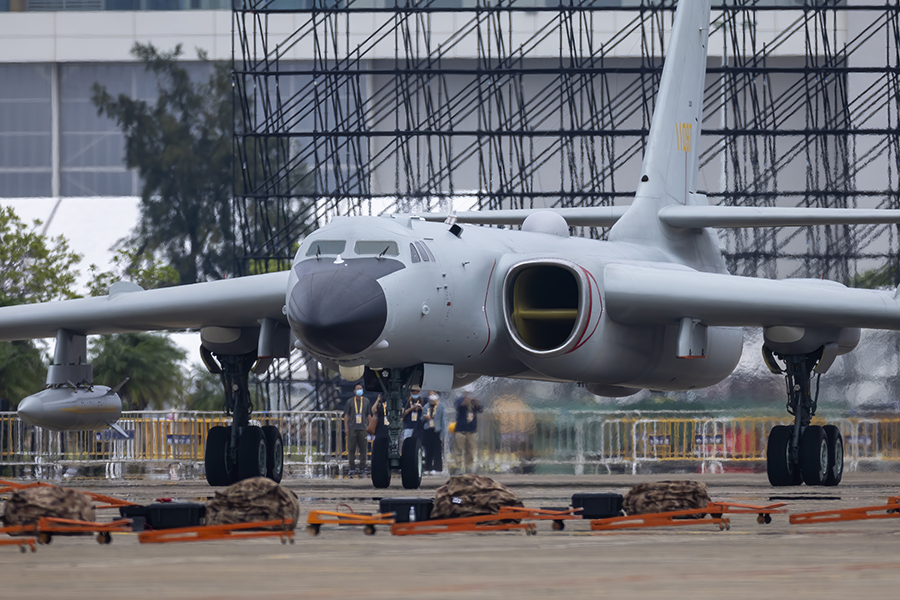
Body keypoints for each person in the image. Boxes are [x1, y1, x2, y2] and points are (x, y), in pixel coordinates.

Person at [343, 383, 371, 476]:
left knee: (363, 449)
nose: (360, 390)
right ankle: (351, 466)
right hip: (353, 428)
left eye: (361, 389)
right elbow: (346, 416)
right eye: (358, 389)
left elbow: (368, 415)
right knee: (351, 449)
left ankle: (363, 466)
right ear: (354, 391)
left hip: (363, 428)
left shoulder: (366, 401)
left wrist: (370, 427)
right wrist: (346, 428)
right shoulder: (350, 402)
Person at [454, 390, 482, 474]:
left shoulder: (474, 403)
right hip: (460, 431)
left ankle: (469, 468)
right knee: (458, 450)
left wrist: (475, 402)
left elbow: (480, 409)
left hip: (471, 431)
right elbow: (459, 407)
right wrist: (466, 400)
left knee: (470, 451)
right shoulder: (459, 400)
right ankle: (458, 467)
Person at [422, 391, 445, 474]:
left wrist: (443, 433)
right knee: (428, 450)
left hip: (437, 430)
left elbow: (443, 421)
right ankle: (428, 468)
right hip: (428, 430)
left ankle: (438, 468)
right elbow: (421, 418)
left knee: (437, 450)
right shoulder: (426, 406)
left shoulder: (441, 407)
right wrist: (425, 417)